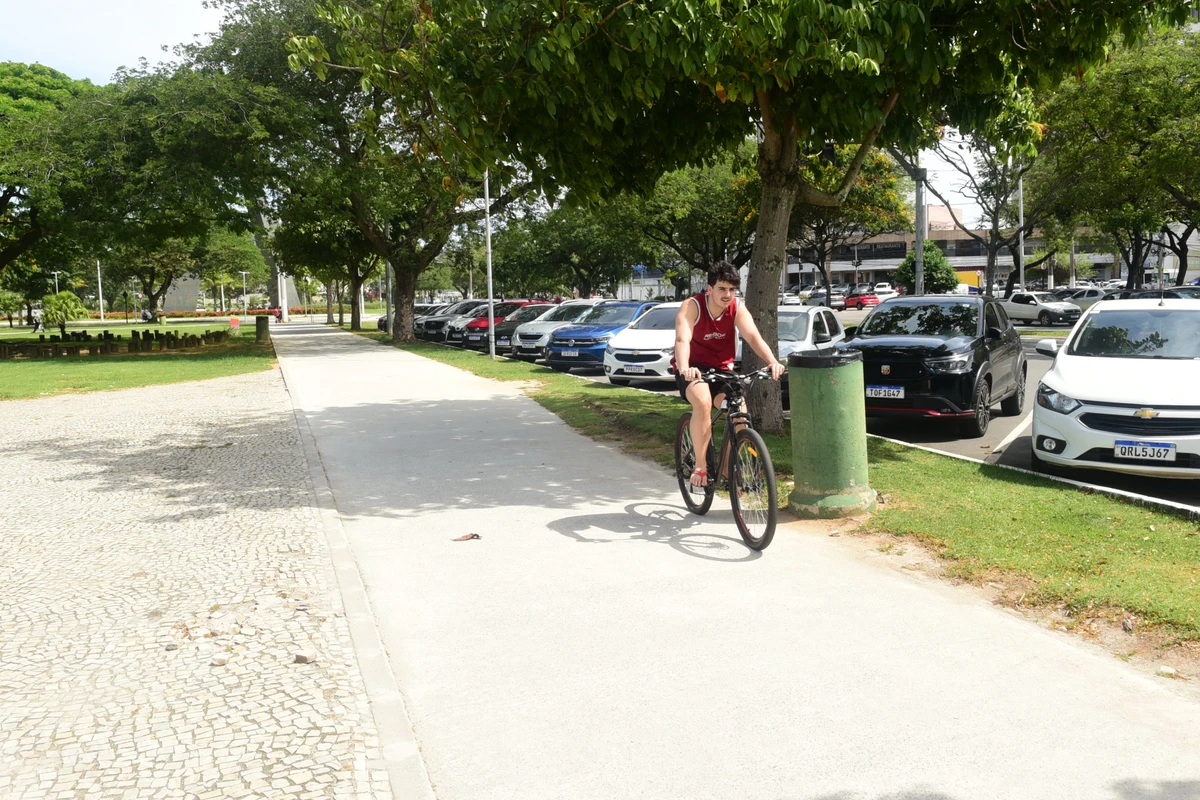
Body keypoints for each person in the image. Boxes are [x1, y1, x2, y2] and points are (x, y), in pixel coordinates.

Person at [674, 261, 786, 487]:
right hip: (693, 369)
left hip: (723, 371)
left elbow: (753, 337)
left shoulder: (736, 307)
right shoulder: (693, 306)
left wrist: (772, 361)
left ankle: (726, 472)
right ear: (710, 289)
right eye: (722, 289)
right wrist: (685, 366)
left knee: (740, 417)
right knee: (703, 402)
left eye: (732, 290)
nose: (727, 295)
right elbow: (682, 339)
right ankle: (701, 468)